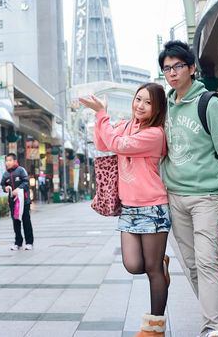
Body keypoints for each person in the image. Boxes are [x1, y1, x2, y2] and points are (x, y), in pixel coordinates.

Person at [159, 40, 218, 337]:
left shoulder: (209, 103)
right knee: (192, 266)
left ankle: (214, 328)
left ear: (191, 68)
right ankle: (216, 320)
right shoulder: (164, 107)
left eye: (178, 66)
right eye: (167, 68)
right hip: (175, 197)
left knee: (208, 262)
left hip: (207, 196)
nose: (172, 73)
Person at [80, 83, 171, 337]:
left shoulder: (155, 134)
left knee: (151, 270)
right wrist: (100, 114)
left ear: (157, 108)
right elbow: (102, 142)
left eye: (147, 102)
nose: (140, 105)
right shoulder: (126, 126)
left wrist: (102, 114)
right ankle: (162, 268)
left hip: (153, 207)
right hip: (129, 208)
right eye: (138, 99)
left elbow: (118, 145)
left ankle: (154, 328)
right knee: (132, 264)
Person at [0, 153, 34, 250]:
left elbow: (26, 182)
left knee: (26, 221)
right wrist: (5, 188)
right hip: (13, 202)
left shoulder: (21, 170)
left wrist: (18, 189)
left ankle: (29, 242)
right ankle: (18, 243)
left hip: (24, 201)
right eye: (6, 161)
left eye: (10, 160)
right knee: (16, 222)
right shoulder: (5, 174)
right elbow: (3, 184)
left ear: (15, 161)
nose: (8, 162)